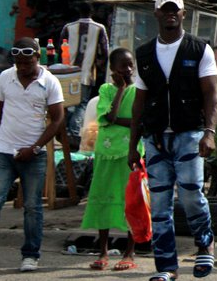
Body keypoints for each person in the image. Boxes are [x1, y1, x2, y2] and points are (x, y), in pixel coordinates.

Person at [128, 0, 217, 280]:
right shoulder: (143, 54)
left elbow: (212, 94)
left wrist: (210, 132)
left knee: (192, 194)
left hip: (189, 133)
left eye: (175, 10)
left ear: (183, 14)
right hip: (155, 139)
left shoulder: (199, 49)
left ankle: (205, 244)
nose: (170, 14)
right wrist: (133, 145)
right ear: (156, 14)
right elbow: (138, 103)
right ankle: (167, 266)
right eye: (164, 10)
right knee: (159, 205)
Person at [0, 38, 65, 274]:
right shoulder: (6, 77)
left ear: (37, 58)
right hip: (4, 153)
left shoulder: (50, 82)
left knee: (32, 207)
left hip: (33, 156)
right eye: (18, 62)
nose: (22, 67)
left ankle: (30, 255)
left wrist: (35, 148)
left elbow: (58, 120)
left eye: (27, 62)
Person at [80, 47, 139, 272]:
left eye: (130, 64)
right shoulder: (106, 90)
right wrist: (121, 90)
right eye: (123, 65)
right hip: (105, 153)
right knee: (103, 197)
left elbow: (137, 122)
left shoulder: (139, 91)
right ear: (113, 69)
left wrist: (121, 121)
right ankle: (103, 251)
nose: (128, 69)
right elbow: (109, 117)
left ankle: (129, 252)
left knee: (131, 200)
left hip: (130, 153)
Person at [60, 1, 110, 138]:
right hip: (87, 73)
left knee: (68, 103)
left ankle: (64, 131)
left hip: (68, 73)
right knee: (82, 104)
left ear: (79, 12)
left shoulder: (68, 27)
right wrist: (99, 66)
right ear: (92, 12)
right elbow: (105, 51)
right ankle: (74, 133)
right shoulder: (99, 28)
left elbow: (61, 48)